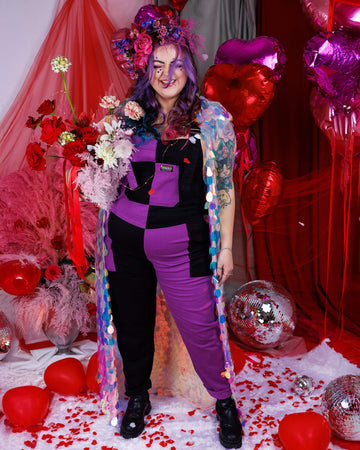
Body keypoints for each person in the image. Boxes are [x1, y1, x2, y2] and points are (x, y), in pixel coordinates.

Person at [97, 4, 243, 449]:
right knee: (133, 323)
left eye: (175, 65)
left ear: (188, 68)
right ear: (146, 69)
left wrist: (227, 249)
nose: (166, 74)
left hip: (184, 242)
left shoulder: (211, 119)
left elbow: (224, 188)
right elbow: (106, 180)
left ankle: (223, 402)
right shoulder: (126, 114)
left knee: (201, 327)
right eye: (157, 66)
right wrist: (88, 158)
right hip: (125, 238)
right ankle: (137, 397)